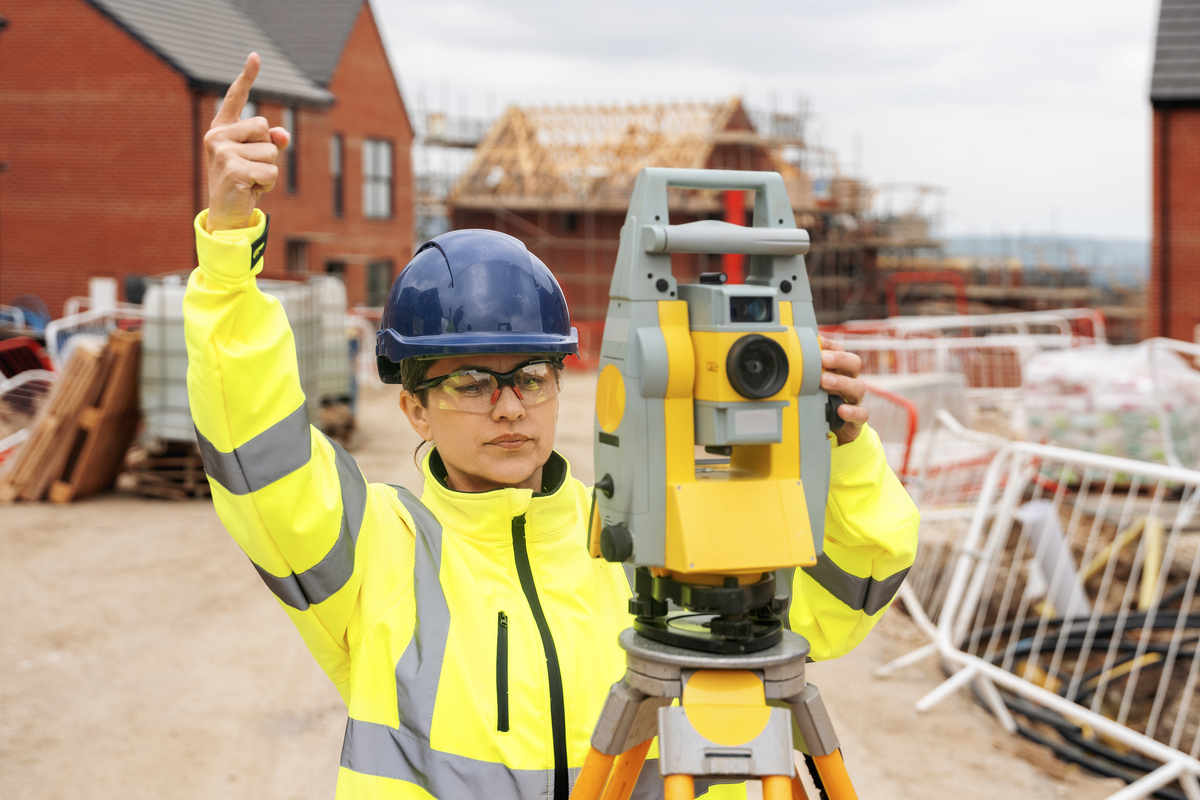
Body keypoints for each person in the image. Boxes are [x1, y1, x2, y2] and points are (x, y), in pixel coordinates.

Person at [185, 54, 919, 800]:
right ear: (414, 408)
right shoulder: (375, 554)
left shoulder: (638, 539)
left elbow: (850, 596)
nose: (510, 407)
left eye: (531, 377)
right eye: (472, 382)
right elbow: (256, 443)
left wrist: (847, 453)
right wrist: (229, 247)